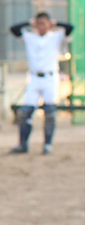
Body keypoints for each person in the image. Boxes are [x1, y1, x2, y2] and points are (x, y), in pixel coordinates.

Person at [9, 12, 74, 154]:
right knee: (26, 112)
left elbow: (70, 28)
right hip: (34, 78)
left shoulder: (56, 37)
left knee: (50, 112)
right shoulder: (30, 37)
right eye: (39, 23)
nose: (41, 26)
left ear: (49, 24)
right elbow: (14, 29)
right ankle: (23, 144)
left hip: (50, 78)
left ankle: (47, 145)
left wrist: (55, 24)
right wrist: (30, 23)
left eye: (44, 23)